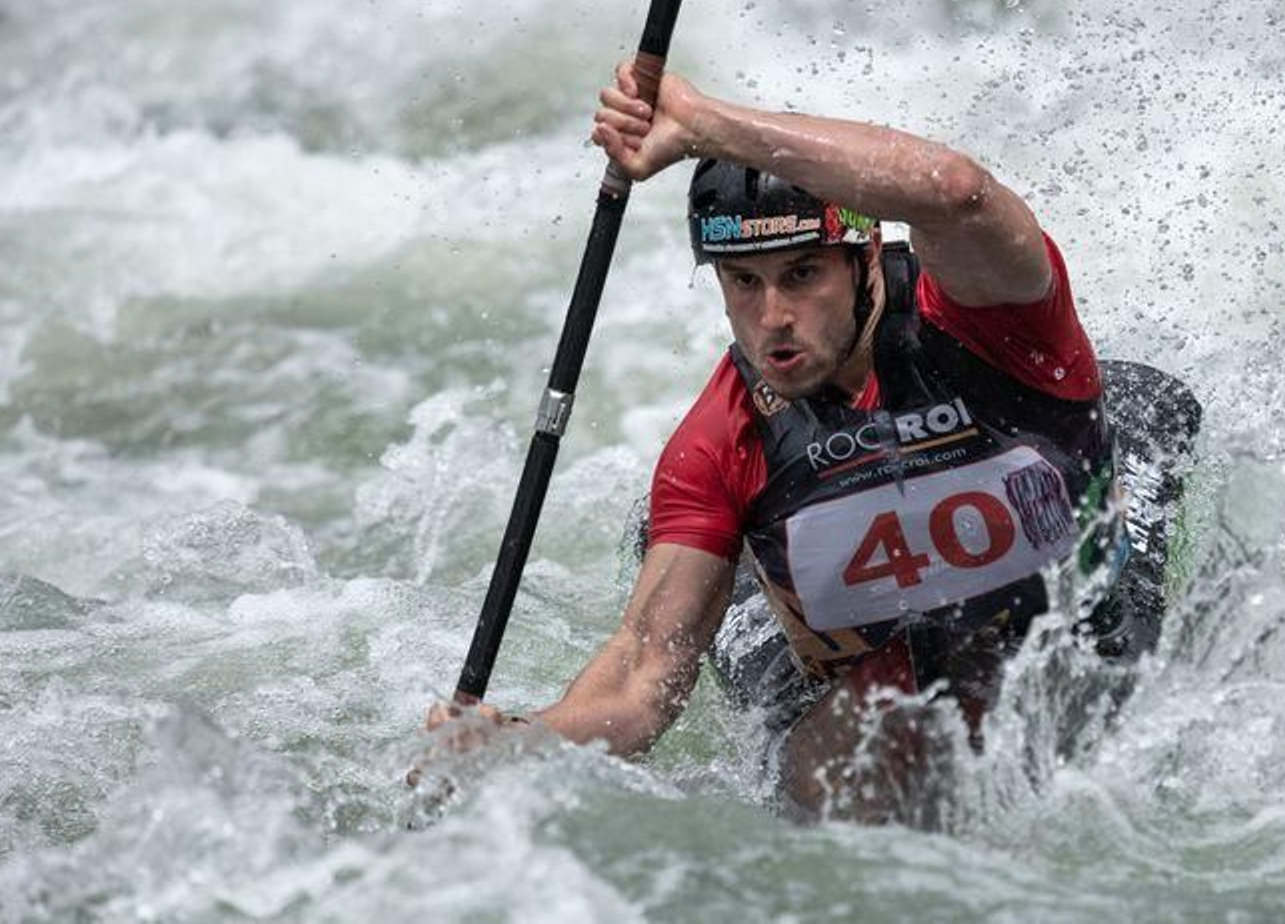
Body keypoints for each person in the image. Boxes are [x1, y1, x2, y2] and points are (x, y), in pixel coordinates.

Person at [427, 61, 1144, 826]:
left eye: (802, 274)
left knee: (1092, 711)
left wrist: (701, 123)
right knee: (833, 777)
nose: (773, 317)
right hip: (848, 640)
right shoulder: (717, 442)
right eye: (743, 282)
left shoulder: (990, 318)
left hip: (1074, 596)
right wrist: (515, 743)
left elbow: (955, 189)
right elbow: (642, 683)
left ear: (865, 257)